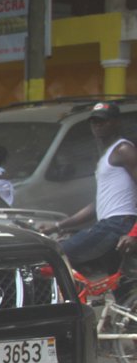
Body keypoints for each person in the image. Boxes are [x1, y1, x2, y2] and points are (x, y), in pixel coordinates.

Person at [41, 102, 137, 274]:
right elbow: (96, 205)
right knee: (118, 288)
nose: (97, 125)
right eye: (94, 122)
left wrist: (134, 232)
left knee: (55, 254)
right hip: (110, 224)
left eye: (103, 121)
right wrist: (57, 226)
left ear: (116, 122)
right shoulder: (107, 154)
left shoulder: (123, 150)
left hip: (117, 225)